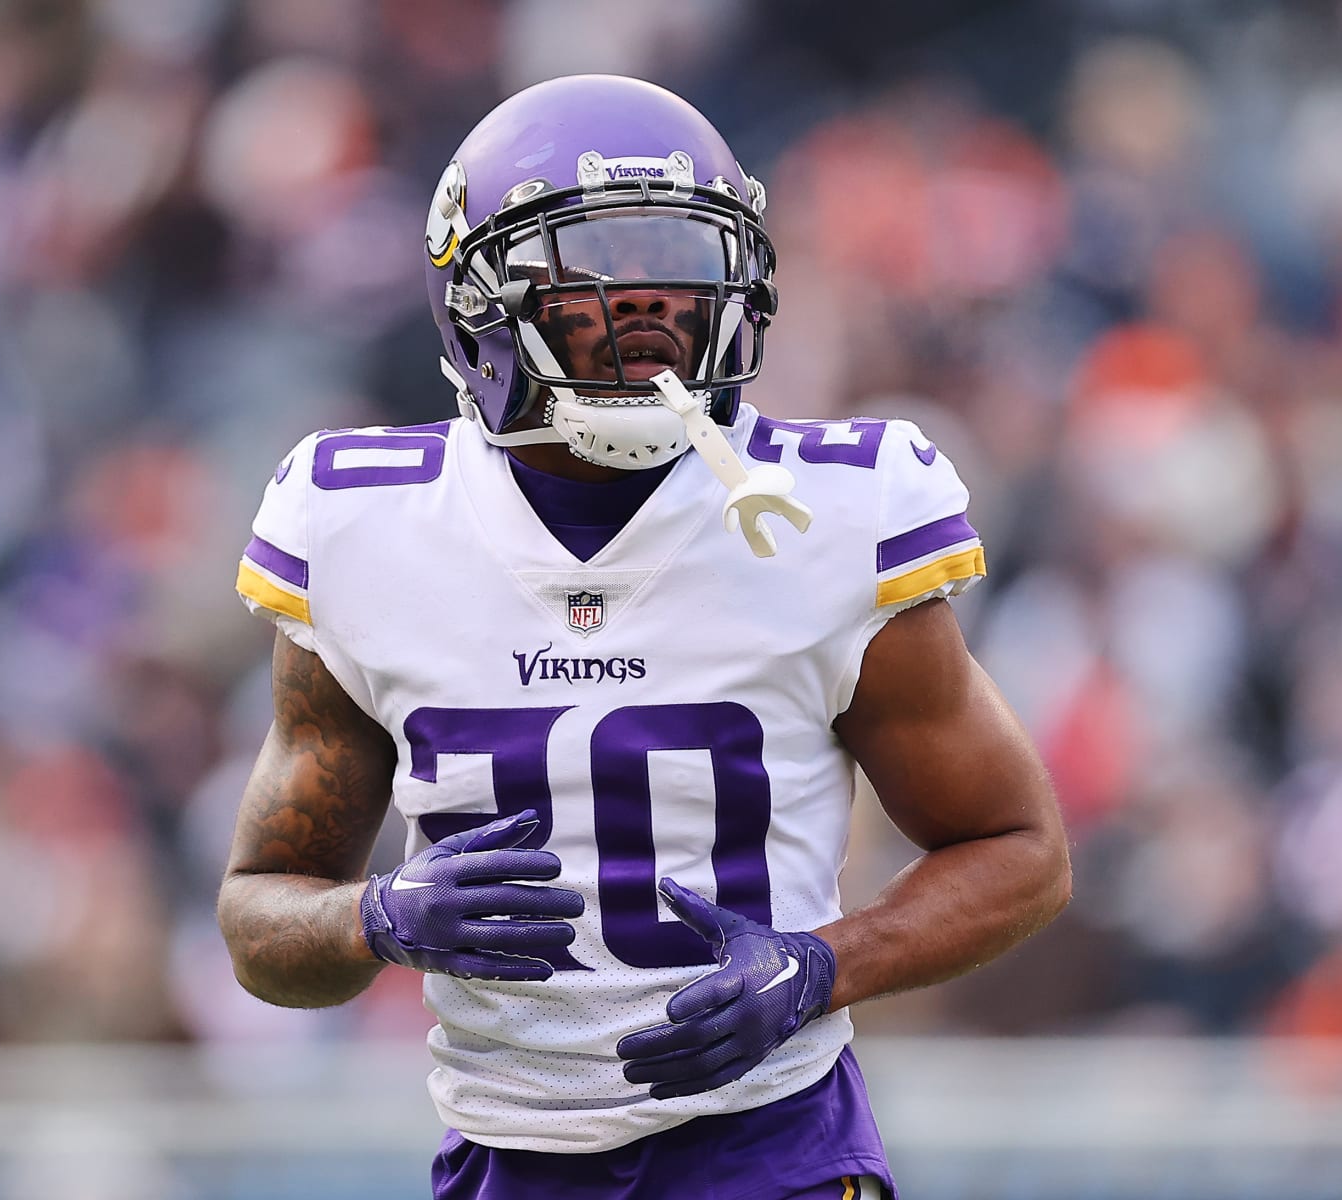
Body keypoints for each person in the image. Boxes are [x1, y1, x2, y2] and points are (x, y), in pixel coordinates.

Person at [217, 74, 1070, 1200]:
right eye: (598, 274)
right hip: (507, 1156)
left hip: (774, 1152)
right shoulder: (362, 525)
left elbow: (1021, 851)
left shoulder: (830, 521)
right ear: (481, 301)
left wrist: (822, 968)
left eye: (682, 267)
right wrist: (377, 919)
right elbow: (259, 918)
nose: (654, 306)